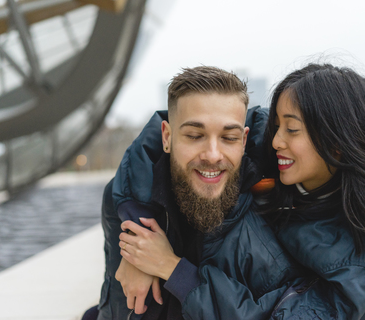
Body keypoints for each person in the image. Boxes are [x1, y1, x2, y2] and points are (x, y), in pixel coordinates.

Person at [110, 63, 365, 320]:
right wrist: (140, 235)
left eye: (291, 130)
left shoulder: (361, 264)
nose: (275, 140)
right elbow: (162, 132)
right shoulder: (266, 143)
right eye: (276, 125)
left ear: (337, 141)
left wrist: (169, 267)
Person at [88, 66, 306, 320]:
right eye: (194, 135)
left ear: (244, 142)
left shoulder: (271, 210)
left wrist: (170, 268)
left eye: (229, 137)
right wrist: (135, 251)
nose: (212, 154)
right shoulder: (127, 203)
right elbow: (116, 307)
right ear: (167, 137)